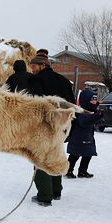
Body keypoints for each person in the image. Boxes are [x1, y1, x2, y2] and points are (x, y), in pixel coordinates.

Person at [26, 51, 75, 206]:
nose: (32, 69)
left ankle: (45, 196)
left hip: (44, 126)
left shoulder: (35, 81)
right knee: (55, 154)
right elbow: (72, 105)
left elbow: (35, 107)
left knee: (40, 159)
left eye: (34, 66)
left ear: (43, 65)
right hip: (62, 126)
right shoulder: (64, 81)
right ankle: (56, 190)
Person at [65, 89, 103, 178]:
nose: (94, 102)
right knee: (74, 155)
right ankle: (68, 170)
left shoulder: (92, 111)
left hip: (87, 137)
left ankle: (82, 171)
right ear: (86, 101)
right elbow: (84, 122)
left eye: (95, 100)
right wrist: (96, 116)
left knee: (88, 154)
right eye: (92, 100)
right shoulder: (81, 112)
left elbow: (97, 122)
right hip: (77, 138)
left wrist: (99, 117)